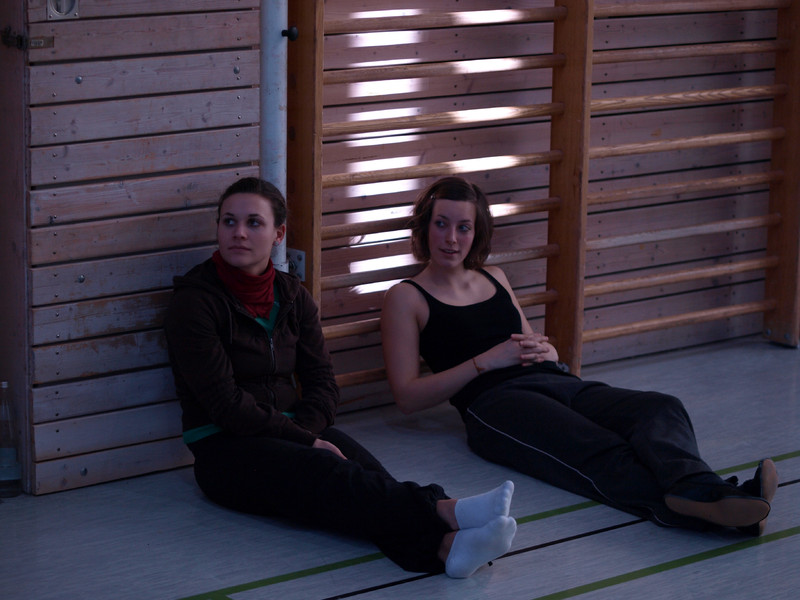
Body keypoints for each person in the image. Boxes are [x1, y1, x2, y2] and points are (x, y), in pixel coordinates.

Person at [381, 176, 778, 535]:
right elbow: (407, 396)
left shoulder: (494, 276)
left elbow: (529, 341)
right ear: (425, 228)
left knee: (660, 408)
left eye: (463, 227)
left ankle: (707, 493)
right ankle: (721, 506)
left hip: (555, 380)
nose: (451, 238)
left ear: (477, 231)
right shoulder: (407, 297)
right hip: (495, 404)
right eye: (441, 224)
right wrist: (484, 362)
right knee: (598, 447)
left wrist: (546, 349)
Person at [163, 176, 517, 579]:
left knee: (369, 481)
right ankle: (446, 508)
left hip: (292, 428)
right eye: (229, 221)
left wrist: (307, 433)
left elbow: (323, 383)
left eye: (253, 222)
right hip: (223, 448)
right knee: (330, 474)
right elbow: (225, 405)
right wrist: (306, 442)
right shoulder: (194, 302)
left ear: (278, 234)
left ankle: (449, 550)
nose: (239, 232)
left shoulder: (293, 296)